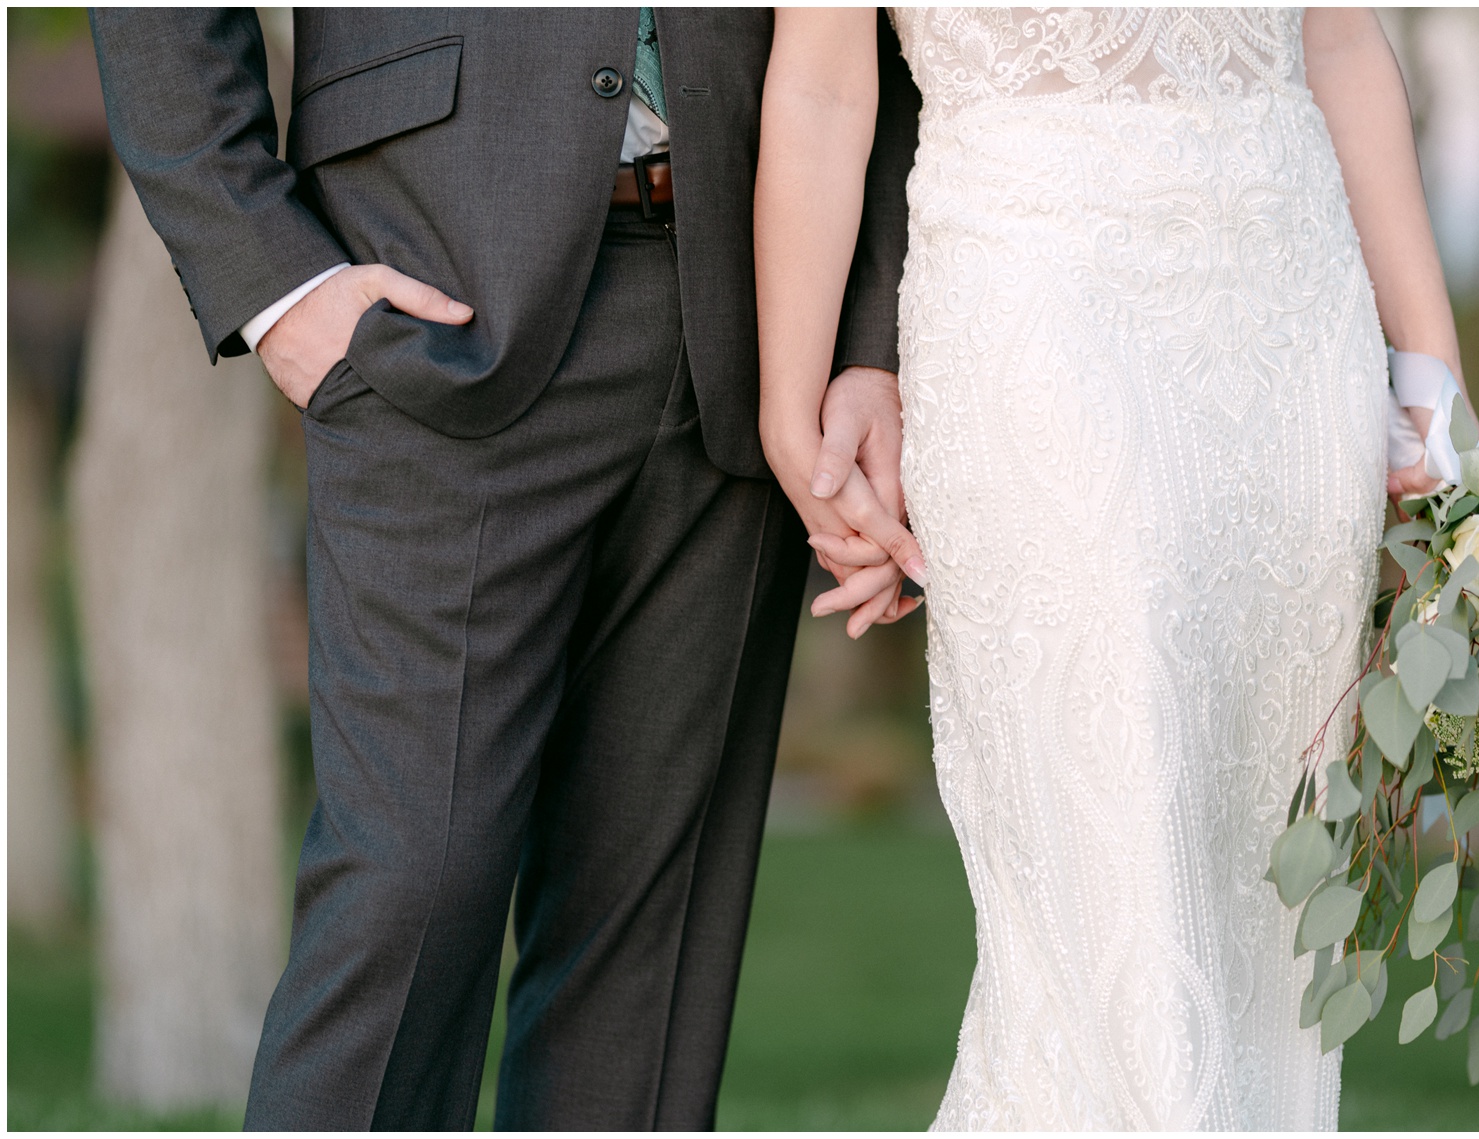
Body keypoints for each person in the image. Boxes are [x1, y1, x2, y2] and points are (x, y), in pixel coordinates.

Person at [89, 9, 923, 1129]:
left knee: (647, 952)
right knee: (407, 891)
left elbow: (886, 41)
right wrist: (272, 282)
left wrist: (866, 336)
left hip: (757, 302)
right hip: (431, 289)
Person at [757, 7, 1477, 1129]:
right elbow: (820, 89)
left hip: (1285, 311)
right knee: (1116, 842)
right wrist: (787, 406)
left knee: (1261, 904)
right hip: (1032, 284)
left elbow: (1336, 38)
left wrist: (1429, 370)